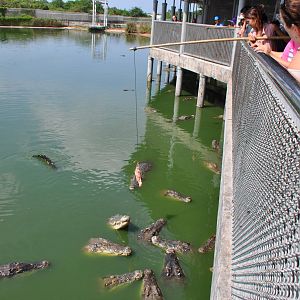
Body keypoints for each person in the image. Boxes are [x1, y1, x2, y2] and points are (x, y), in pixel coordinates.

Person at [254, 0, 300, 82]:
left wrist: (270, 54)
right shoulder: (294, 41)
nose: (284, 27)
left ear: (295, 29)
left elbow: (292, 67)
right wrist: (269, 52)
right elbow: (286, 55)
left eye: (283, 23)